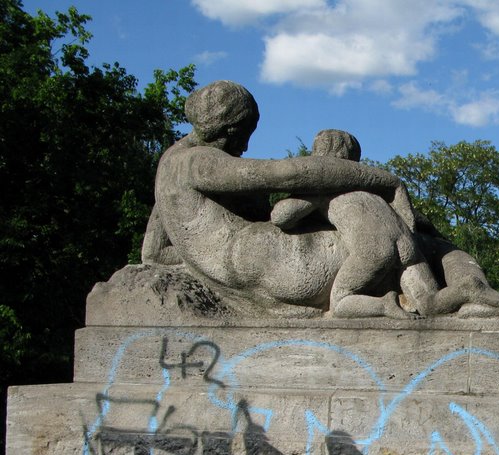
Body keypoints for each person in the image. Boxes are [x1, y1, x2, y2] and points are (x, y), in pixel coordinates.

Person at [144, 80, 435, 318]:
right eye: (246, 133)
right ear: (230, 128)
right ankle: (442, 300)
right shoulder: (199, 162)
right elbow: (286, 174)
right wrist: (386, 181)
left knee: (398, 240)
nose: (245, 146)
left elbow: (153, 254)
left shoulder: (168, 167)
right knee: (410, 242)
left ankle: (441, 298)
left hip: (255, 269)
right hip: (283, 264)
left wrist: (205, 261)